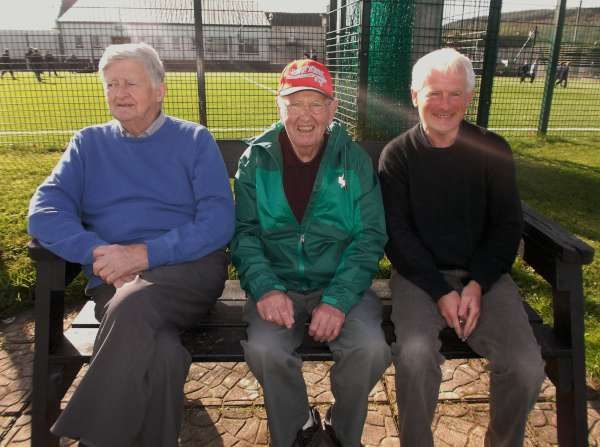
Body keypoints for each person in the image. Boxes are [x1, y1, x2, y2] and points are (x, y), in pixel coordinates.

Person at [28, 42, 235, 447]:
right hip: (114, 276)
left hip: (188, 273)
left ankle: (92, 438)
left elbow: (218, 222)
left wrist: (143, 254)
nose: (119, 93)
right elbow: (44, 211)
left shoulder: (194, 140)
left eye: (131, 83)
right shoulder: (88, 144)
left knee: (134, 303)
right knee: (163, 357)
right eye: (111, 84)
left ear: (160, 89)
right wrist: (98, 253)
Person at [378, 48, 545, 447]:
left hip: (484, 279)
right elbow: (396, 236)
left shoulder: (493, 150)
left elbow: (507, 226)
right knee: (416, 357)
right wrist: (439, 291)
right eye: (434, 93)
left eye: (455, 94)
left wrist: (476, 284)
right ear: (415, 95)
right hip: (419, 278)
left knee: (526, 367)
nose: (445, 104)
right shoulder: (396, 156)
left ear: (469, 98)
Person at [232, 58, 390, 447]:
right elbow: (244, 233)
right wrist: (266, 288)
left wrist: (336, 300)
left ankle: (341, 428)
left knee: (370, 348)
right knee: (266, 350)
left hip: (341, 285)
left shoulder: (353, 161)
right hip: (277, 286)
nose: (305, 116)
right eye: (294, 103)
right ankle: (298, 425)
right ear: (278, 105)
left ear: (332, 109)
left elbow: (370, 236)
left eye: (315, 104)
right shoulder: (255, 159)